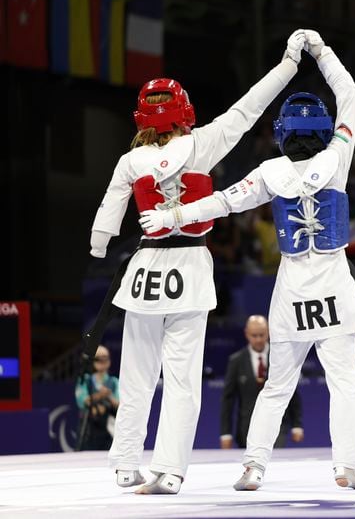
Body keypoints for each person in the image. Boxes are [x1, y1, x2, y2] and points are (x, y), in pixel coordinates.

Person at [139, 30, 355, 491]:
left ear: (282, 131)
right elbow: (348, 92)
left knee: (278, 383)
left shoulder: (269, 173)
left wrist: (174, 214)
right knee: (345, 380)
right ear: (324, 128)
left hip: (291, 288)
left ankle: (254, 467)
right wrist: (323, 52)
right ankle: (346, 466)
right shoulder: (339, 155)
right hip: (333, 282)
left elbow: (223, 202)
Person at [90, 31, 303, 494]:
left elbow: (110, 207)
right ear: (185, 111)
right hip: (189, 269)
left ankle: (127, 464)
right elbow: (249, 110)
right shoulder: (204, 144)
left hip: (146, 270)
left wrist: (99, 242)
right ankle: (170, 469)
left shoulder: (132, 160)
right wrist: (288, 65)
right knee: (182, 378)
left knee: (137, 373)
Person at [220, 315, 303, 450]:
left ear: (269, 332)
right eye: (254, 335)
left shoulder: (281, 359)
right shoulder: (236, 361)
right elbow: (227, 400)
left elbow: (292, 391)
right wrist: (225, 434)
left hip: (277, 426)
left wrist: (297, 425)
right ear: (246, 334)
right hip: (246, 428)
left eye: (261, 335)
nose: (258, 339)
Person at [75, 345, 119, 451]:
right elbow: (83, 401)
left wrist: (108, 395)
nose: (102, 360)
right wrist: (100, 395)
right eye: (99, 357)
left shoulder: (113, 381)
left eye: (105, 357)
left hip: (109, 431)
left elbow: (119, 404)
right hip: (89, 430)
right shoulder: (85, 380)